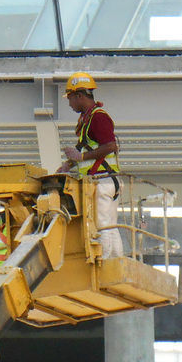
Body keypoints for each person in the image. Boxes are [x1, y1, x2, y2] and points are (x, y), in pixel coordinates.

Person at [58, 72, 123, 259]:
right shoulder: (89, 119)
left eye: (70, 98)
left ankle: (104, 265)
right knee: (110, 227)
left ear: (79, 95)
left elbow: (110, 145)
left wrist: (81, 156)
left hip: (103, 181)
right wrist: (68, 164)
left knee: (103, 226)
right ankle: (115, 263)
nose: (69, 103)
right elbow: (87, 147)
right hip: (105, 181)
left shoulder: (98, 117)